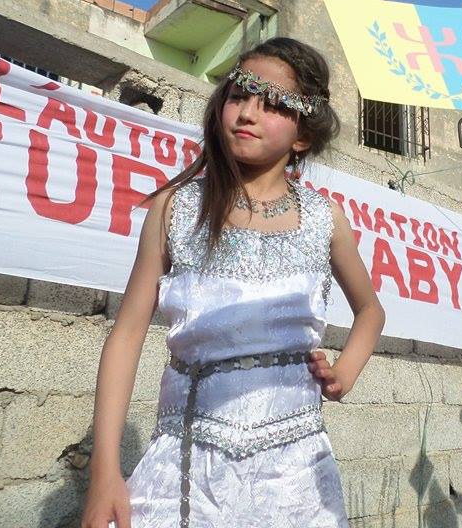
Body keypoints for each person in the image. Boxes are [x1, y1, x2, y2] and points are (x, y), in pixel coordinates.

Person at [81, 37, 384, 528]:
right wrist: (104, 473)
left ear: (303, 136)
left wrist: (345, 371)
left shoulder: (325, 219)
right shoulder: (176, 208)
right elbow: (128, 334)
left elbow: (371, 311)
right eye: (239, 94)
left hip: (297, 480)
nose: (247, 113)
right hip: (184, 468)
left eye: (273, 105)